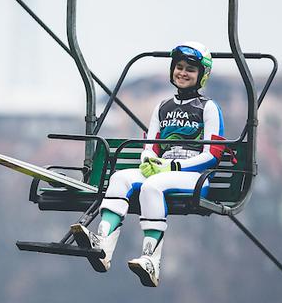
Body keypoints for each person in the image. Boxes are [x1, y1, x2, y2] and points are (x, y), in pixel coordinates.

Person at [70, 41, 225, 287]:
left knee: (154, 186)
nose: (183, 73)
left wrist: (173, 168)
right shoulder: (162, 107)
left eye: (190, 70)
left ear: (201, 76)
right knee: (120, 178)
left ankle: (151, 258)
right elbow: (151, 145)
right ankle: (103, 244)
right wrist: (148, 162)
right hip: (164, 171)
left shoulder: (208, 108)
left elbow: (212, 154)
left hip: (195, 176)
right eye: (179, 67)